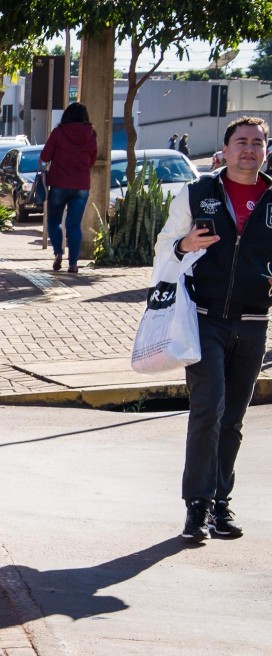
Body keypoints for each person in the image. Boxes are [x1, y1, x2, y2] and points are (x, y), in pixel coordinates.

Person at [153, 116, 272, 542]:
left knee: (234, 418)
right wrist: (184, 245)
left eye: (257, 143)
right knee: (208, 410)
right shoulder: (197, 193)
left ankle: (222, 503)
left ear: (265, 151)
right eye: (242, 142)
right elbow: (163, 247)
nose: (249, 150)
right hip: (204, 319)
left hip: (254, 321)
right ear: (224, 150)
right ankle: (197, 507)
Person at [39, 102, 97, 274]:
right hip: (81, 185)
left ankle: (58, 252)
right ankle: (73, 264)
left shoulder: (59, 132)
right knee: (74, 225)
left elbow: (45, 156)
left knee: (54, 221)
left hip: (59, 183)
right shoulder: (91, 134)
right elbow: (92, 160)